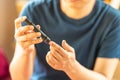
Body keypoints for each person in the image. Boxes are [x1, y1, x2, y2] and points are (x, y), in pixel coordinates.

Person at [10, 0, 120, 80]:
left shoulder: (113, 20)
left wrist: (71, 67)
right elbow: (19, 78)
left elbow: (103, 77)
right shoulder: (33, 10)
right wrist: (25, 51)